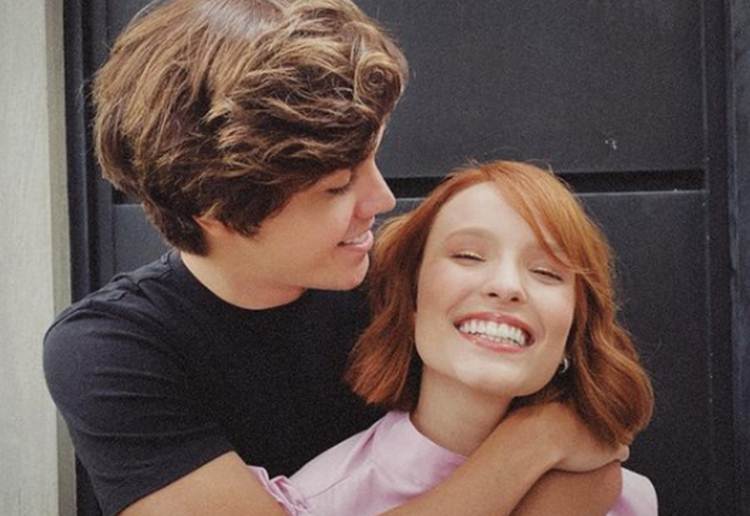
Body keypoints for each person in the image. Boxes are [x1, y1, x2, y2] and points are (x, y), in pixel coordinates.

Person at [44, 1, 628, 515]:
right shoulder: (111, 351)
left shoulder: (407, 277)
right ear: (216, 210)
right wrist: (532, 443)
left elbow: (596, 458)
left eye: (372, 159)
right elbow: (559, 442)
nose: (382, 199)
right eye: (337, 187)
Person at [249, 161, 657, 515]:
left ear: (574, 329)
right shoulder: (317, 503)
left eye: (546, 272)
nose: (506, 286)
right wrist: (536, 442)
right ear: (410, 297)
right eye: (468, 256)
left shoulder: (628, 500)